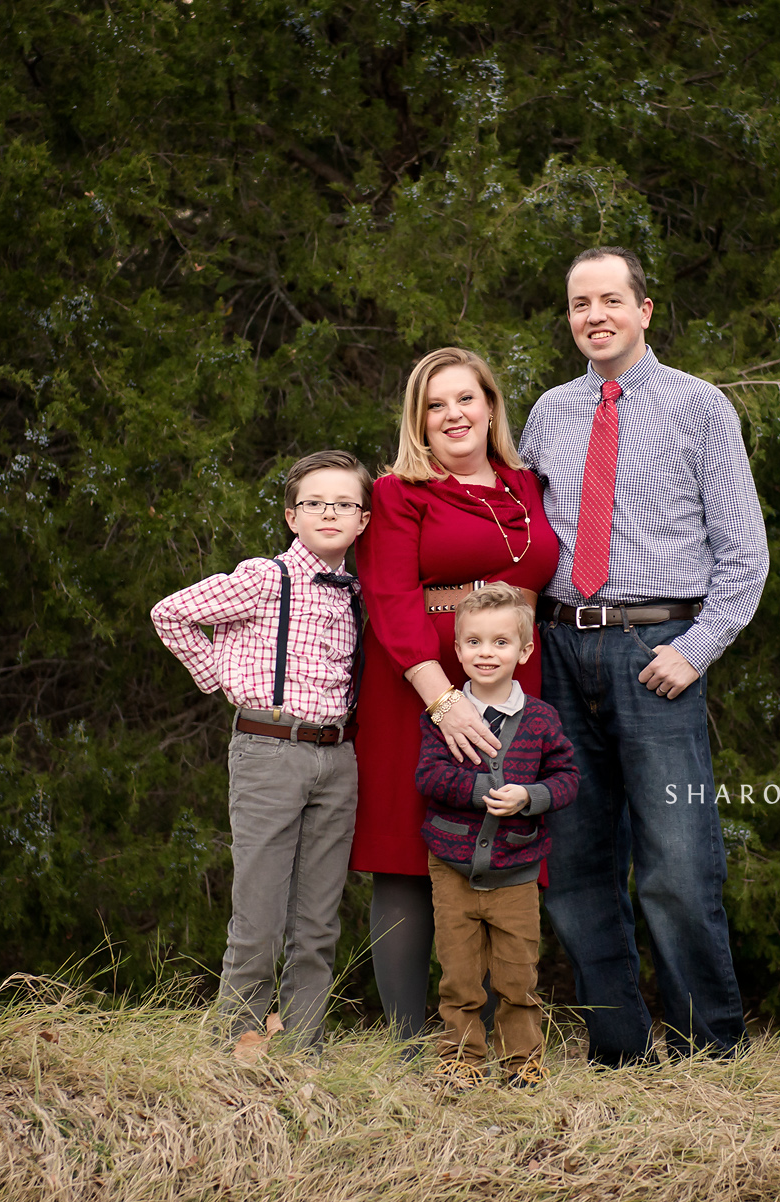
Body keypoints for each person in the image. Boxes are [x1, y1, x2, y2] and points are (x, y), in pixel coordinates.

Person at [518, 246, 769, 1064]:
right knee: (580, 867)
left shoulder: (701, 409)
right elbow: (524, 535)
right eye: (579, 304)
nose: (595, 316)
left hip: (657, 656)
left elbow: (745, 559)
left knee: (678, 870)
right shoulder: (550, 412)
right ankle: (618, 1052)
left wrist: (693, 651)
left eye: (610, 300)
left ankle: (710, 1052)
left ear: (645, 309)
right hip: (558, 653)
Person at [352, 347, 561, 1042]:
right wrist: (442, 700)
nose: (452, 415)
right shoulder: (398, 492)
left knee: (502, 844)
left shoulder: (524, 486)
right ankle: (414, 1044)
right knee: (409, 856)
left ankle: (496, 1039)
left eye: (464, 399)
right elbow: (388, 594)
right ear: (419, 421)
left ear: (491, 406)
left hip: (511, 677)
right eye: (434, 405)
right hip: (417, 682)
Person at [149, 449, 372, 1061]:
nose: (329, 512)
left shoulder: (357, 592)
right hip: (270, 751)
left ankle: (304, 1048)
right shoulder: (262, 578)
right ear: (290, 516)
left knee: (318, 919)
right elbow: (170, 614)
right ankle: (236, 1042)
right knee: (259, 914)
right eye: (314, 503)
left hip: (337, 756)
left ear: (363, 521)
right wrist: (223, 677)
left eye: (344, 504)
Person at [414, 584, 579, 1088]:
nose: (487, 653)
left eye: (501, 642)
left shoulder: (542, 719)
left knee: (517, 976)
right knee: (459, 977)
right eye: (475, 642)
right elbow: (431, 778)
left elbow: (568, 777)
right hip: (453, 869)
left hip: (516, 872)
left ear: (525, 651)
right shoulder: (441, 719)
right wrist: (486, 788)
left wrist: (529, 797)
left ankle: (523, 1063)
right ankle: (460, 1062)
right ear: (458, 650)